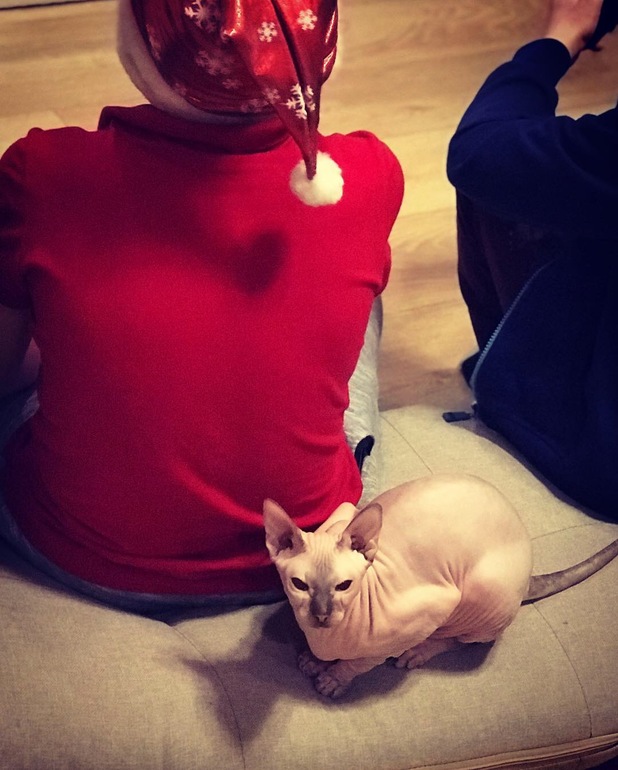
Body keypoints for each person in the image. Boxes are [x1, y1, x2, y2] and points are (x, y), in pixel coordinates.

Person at [0, 0, 404, 613]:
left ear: (139, 47)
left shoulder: (41, 173)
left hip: (81, 556)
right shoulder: (369, 173)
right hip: (304, 545)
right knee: (362, 299)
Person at [447, 0, 618, 518]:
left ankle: (521, 384)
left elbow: (478, 152)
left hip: (605, 465)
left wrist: (558, 38)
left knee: (500, 180)